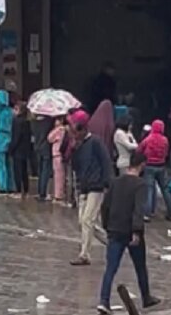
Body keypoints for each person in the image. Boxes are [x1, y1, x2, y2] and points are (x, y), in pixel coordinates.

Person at [97, 152, 161, 315]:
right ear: (142, 165)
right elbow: (138, 210)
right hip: (130, 230)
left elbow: (105, 206)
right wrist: (137, 231)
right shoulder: (140, 184)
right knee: (140, 266)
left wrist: (106, 225)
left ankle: (104, 301)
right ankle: (146, 296)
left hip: (115, 229)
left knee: (111, 267)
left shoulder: (115, 182)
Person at [69, 110, 111, 266]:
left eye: (76, 131)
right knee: (85, 221)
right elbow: (75, 166)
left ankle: (84, 254)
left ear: (83, 129)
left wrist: (107, 183)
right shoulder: (79, 146)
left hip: (96, 186)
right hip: (84, 186)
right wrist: (73, 150)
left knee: (88, 220)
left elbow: (106, 162)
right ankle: (112, 242)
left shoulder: (96, 142)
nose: (74, 135)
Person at [137, 119, 171, 222]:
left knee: (149, 190)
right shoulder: (165, 140)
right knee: (165, 189)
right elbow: (166, 153)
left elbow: (139, 149)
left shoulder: (148, 139)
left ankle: (147, 214)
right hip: (161, 166)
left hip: (149, 166)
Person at [10, 102, 31, 197]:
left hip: (18, 150)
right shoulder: (27, 121)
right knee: (24, 170)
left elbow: (16, 137)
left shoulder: (17, 121)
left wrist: (11, 148)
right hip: (25, 149)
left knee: (17, 171)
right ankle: (26, 189)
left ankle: (18, 190)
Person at [32, 114, 53, 201]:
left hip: (37, 147)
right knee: (45, 171)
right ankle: (43, 193)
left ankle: (40, 191)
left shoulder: (33, 122)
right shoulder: (49, 121)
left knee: (40, 170)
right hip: (46, 148)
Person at [48, 116, 67, 203]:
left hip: (57, 154)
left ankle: (58, 195)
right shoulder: (65, 130)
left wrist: (55, 129)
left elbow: (49, 138)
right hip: (61, 154)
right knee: (61, 175)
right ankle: (61, 193)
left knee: (58, 175)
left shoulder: (59, 130)